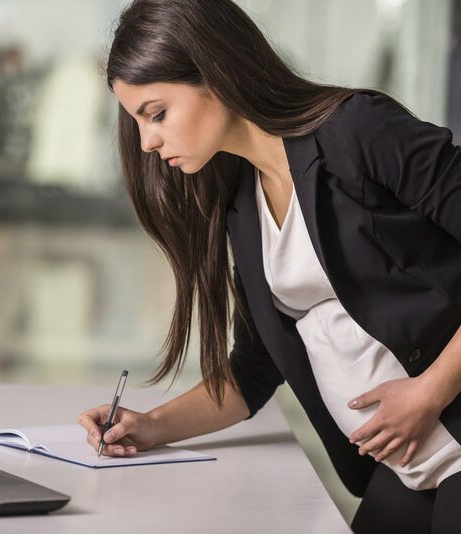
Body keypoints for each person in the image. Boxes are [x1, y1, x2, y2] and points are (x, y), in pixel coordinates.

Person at [77, 1, 461, 531]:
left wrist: (430, 390)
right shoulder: (242, 199)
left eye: (157, 113)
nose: (147, 142)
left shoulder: (358, 130)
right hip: (406, 466)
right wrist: (146, 427)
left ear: (215, 74)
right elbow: (254, 371)